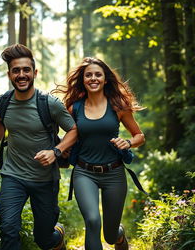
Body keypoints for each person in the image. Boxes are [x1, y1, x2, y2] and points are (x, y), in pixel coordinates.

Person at [0, 44, 77, 250]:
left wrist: (56, 151)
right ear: (9, 74)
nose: (21, 75)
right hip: (13, 176)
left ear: (34, 72)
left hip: (44, 179)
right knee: (8, 229)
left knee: (43, 239)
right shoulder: (3, 102)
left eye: (26, 70)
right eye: (16, 70)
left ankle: (57, 236)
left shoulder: (49, 103)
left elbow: (74, 130)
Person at [56, 57, 145, 250]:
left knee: (110, 235)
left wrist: (128, 142)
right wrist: (62, 149)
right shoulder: (74, 107)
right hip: (84, 172)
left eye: (98, 74)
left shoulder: (118, 106)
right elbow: (67, 134)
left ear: (105, 79)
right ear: (83, 80)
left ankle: (118, 235)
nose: (93, 78)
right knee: (93, 221)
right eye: (89, 75)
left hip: (114, 173)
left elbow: (139, 136)